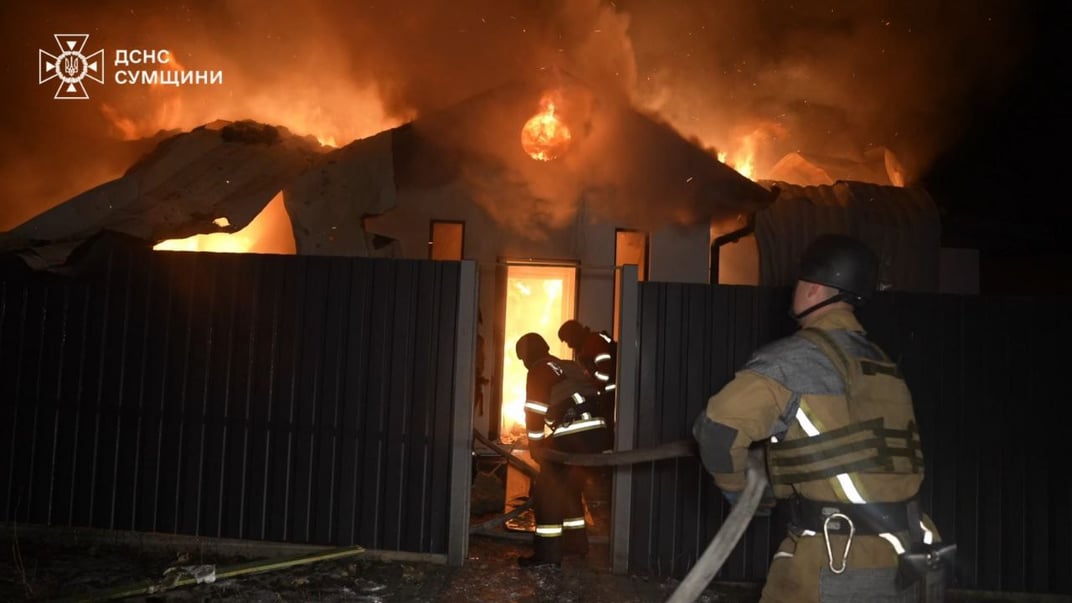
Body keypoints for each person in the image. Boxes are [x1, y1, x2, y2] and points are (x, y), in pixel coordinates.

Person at [692, 234, 953, 602]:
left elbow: (717, 428)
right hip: (909, 556)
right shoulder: (882, 364)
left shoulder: (792, 361)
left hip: (837, 561)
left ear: (813, 289)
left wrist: (736, 488)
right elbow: (846, 449)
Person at [515, 332, 614, 568]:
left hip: (575, 433)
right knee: (570, 486)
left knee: (546, 490)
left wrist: (536, 445)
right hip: (598, 435)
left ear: (527, 355)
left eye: (523, 359)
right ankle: (575, 544)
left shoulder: (538, 370)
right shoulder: (567, 365)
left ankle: (547, 554)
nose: (525, 363)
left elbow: (534, 411)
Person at [558, 319, 617, 405]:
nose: (569, 345)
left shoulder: (593, 342)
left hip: (612, 393)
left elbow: (605, 368)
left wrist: (596, 389)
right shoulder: (585, 348)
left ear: (574, 334)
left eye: (568, 340)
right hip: (608, 393)